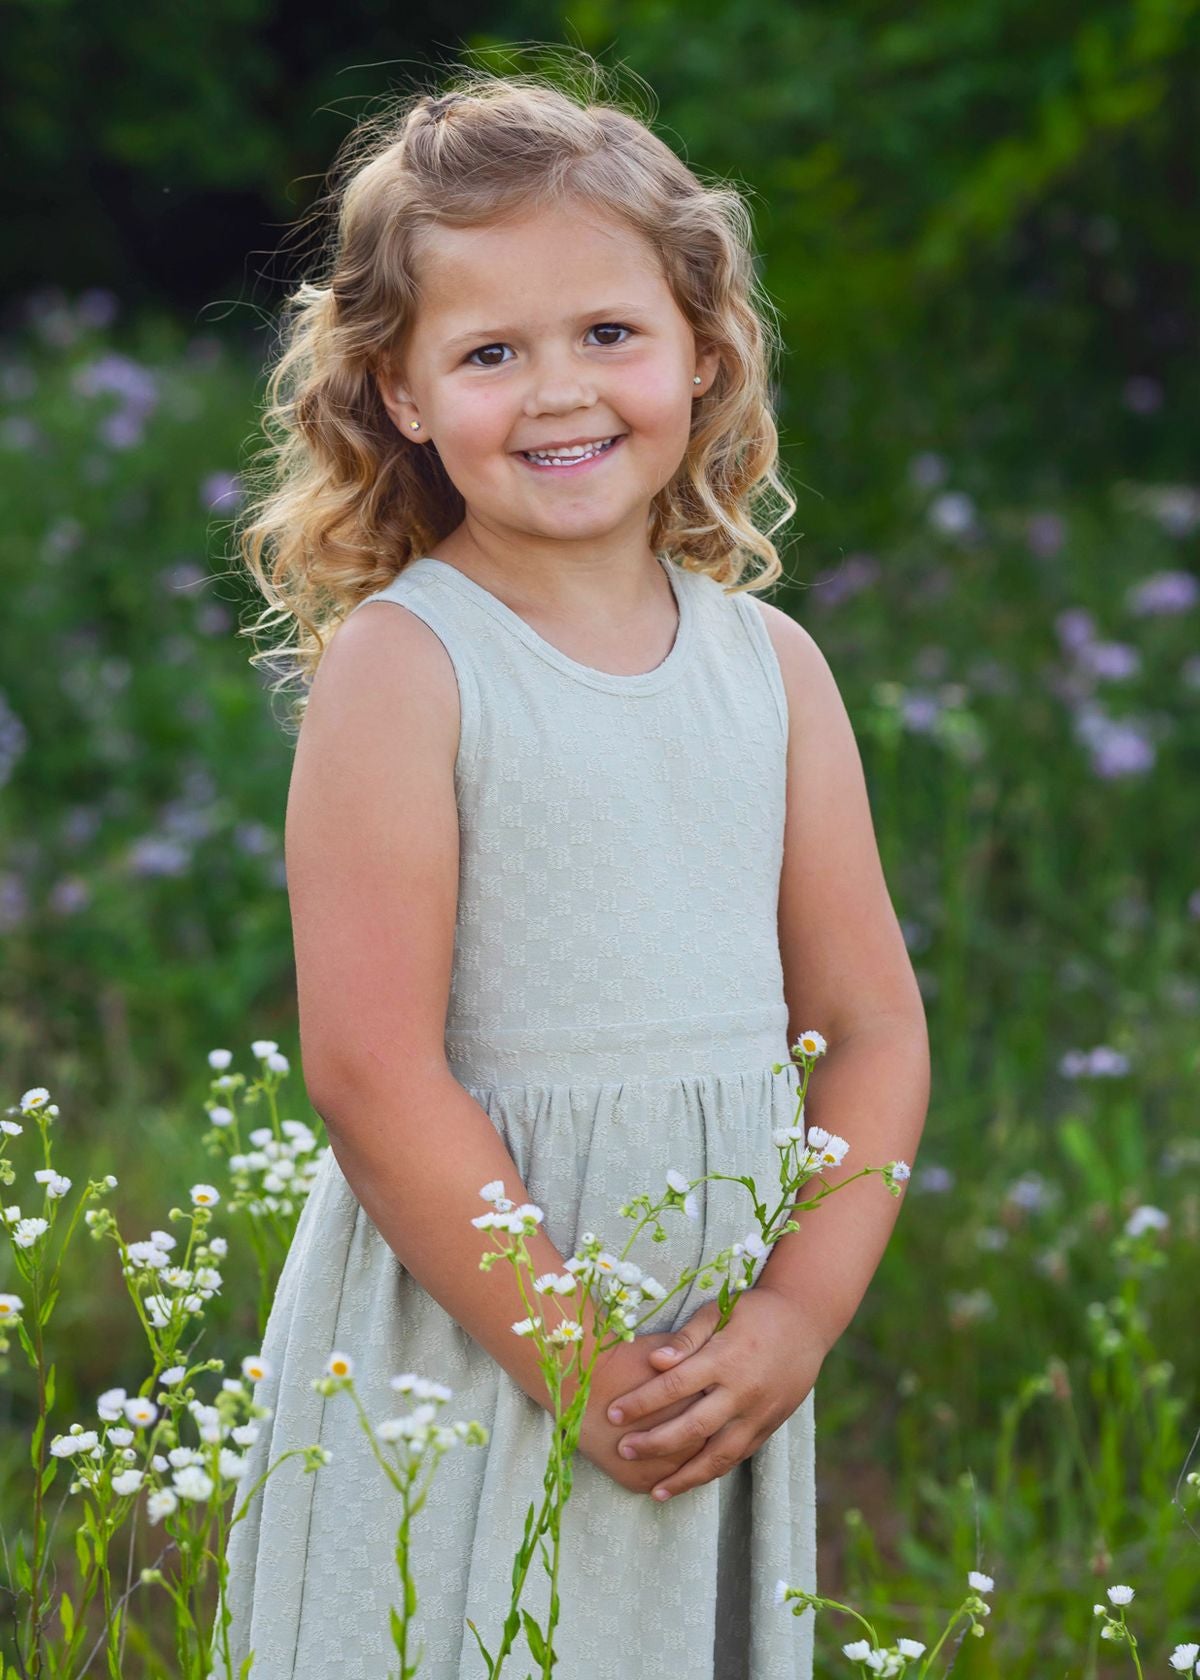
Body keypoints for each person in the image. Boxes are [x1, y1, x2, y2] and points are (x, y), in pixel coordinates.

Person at [213, 61, 929, 1680]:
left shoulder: (774, 669)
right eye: (487, 353)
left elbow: (874, 1033)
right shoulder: (412, 668)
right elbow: (372, 1069)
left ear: (700, 343)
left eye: (608, 333)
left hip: (713, 1353)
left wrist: (793, 1322)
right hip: (482, 1337)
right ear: (398, 393)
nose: (559, 393)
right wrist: (570, 1355)